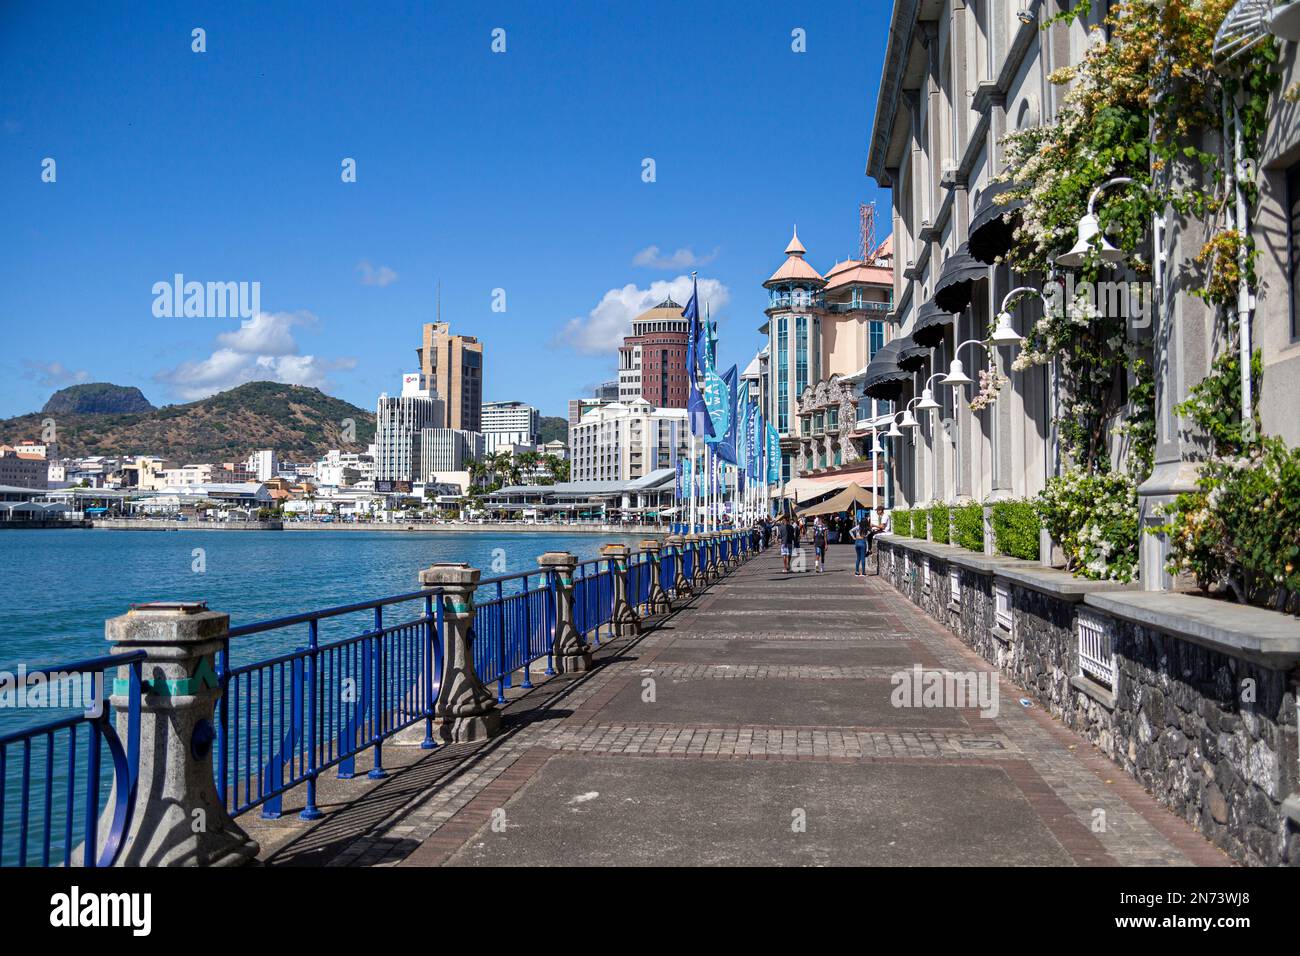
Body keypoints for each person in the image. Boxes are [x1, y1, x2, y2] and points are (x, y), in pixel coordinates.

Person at [869, 505, 892, 575]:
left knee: (870, 535)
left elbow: (882, 526)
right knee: (870, 534)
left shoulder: (885, 516)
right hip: (882, 530)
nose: (876, 512)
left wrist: (874, 526)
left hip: (885, 531)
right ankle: (869, 549)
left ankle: (870, 550)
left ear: (880, 511)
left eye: (877, 511)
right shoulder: (882, 517)